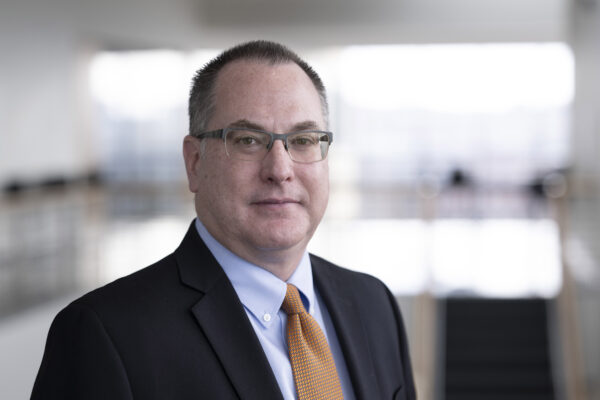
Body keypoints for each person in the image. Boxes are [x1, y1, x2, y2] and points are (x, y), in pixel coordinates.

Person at [31, 40, 416, 400]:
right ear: (195, 162)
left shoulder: (373, 303)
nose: (280, 170)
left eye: (302, 140)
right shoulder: (105, 335)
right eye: (248, 139)